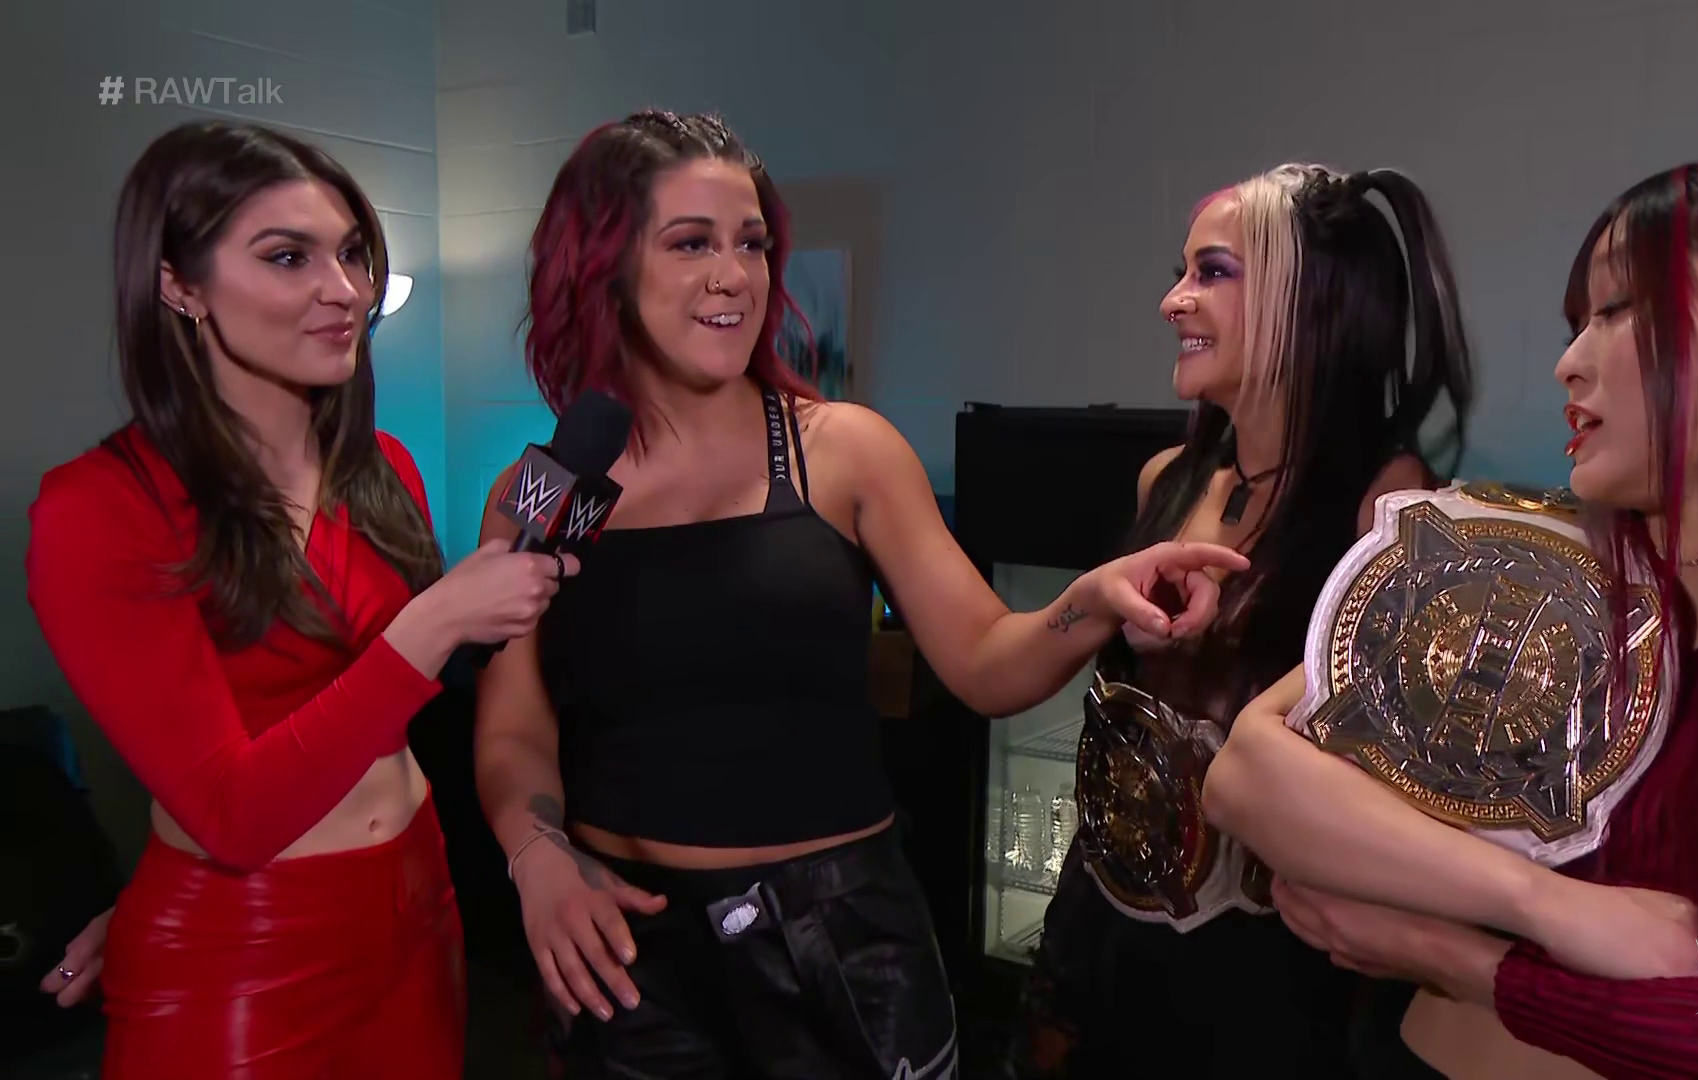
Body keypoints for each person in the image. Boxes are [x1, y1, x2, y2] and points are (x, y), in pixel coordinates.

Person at [470, 108, 1250, 1080]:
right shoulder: (542, 490)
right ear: (603, 267)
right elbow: (512, 727)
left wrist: (1089, 601)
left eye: (752, 244)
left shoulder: (842, 451)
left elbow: (984, 660)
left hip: (838, 947)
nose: (734, 275)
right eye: (692, 243)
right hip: (627, 954)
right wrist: (535, 856)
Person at [1204, 152, 1698, 1077]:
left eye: (1619, 311)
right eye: (1577, 324)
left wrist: (1470, 963)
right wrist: (1547, 906)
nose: (1569, 363)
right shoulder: (1521, 554)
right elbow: (1249, 771)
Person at [24, 120, 583, 1080]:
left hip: (418, 908)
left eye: (353, 253)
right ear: (179, 284)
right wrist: (436, 621)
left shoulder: (384, 467)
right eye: (289, 257)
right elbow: (233, 816)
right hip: (243, 954)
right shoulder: (98, 510)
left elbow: (382, 714)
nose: (348, 291)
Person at [1010, 164, 1475, 1079]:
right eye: (1181, 273)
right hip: (1103, 931)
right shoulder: (1166, 480)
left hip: (1263, 980)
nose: (1172, 301)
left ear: (1309, 297)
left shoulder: (1389, 505)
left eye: (1212, 272)